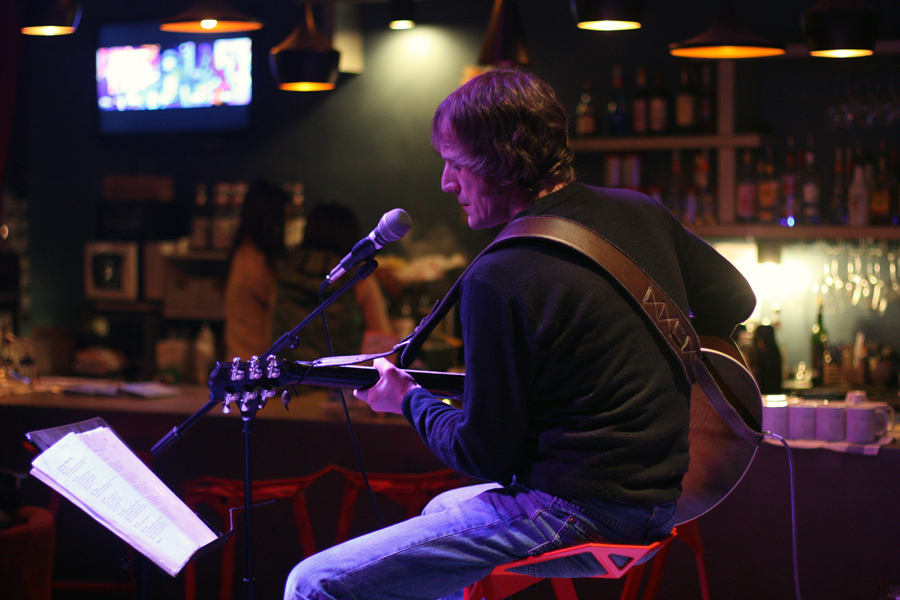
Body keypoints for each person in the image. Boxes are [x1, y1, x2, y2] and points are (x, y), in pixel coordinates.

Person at [284, 69, 756, 600]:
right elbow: (735, 301)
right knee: (440, 510)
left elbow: (482, 455)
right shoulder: (639, 211)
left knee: (313, 583)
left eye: (456, 163)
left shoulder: (500, 274)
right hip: (661, 506)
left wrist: (407, 400)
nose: (446, 183)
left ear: (503, 161)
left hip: (573, 514)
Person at [271, 203, 393, 363]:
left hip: (288, 374)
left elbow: (268, 329)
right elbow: (381, 343)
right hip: (338, 376)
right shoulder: (358, 277)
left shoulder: (282, 270)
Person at [224, 179, 291, 362]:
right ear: (273, 220)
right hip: (257, 366)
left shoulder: (242, 254)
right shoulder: (261, 263)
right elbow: (280, 313)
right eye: (285, 221)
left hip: (240, 360)